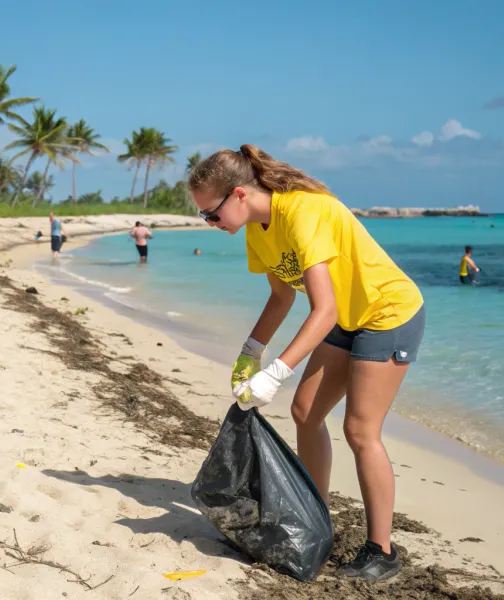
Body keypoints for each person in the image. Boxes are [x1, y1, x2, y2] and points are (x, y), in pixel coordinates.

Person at [189, 145, 425, 582]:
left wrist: (276, 373)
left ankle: (383, 551)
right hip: (348, 315)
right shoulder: (259, 230)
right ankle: (316, 522)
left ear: (239, 195)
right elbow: (282, 297)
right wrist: (250, 351)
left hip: (387, 312)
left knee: (359, 429)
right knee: (305, 412)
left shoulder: (301, 212)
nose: (211, 224)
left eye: (212, 214)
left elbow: (324, 310)